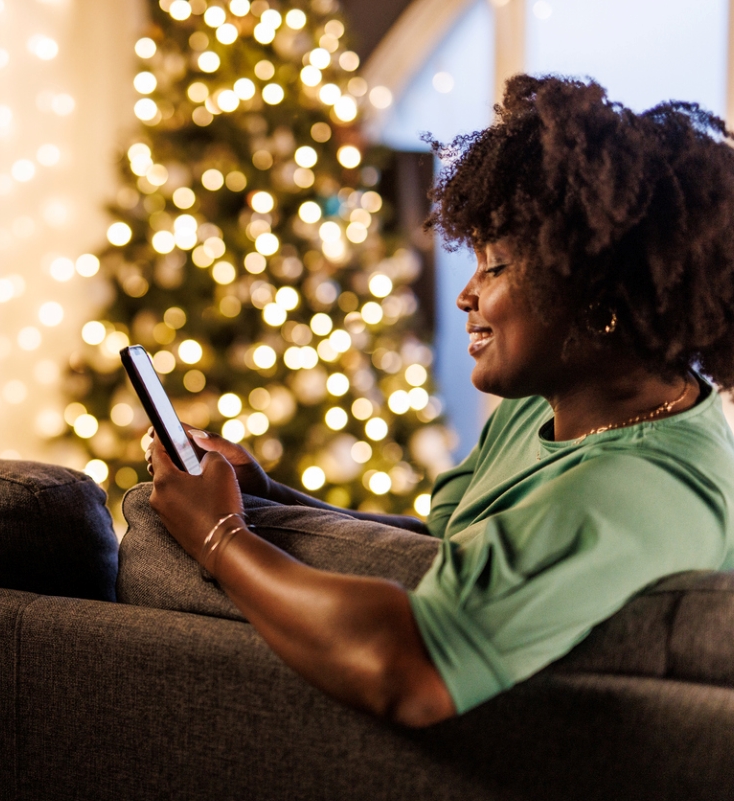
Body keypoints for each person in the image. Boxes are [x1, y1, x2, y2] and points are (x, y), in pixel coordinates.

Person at [144, 75, 734, 727]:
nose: (466, 295)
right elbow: (444, 550)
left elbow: (411, 672)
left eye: (497, 266)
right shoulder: (549, 404)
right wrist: (271, 495)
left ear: (598, 293)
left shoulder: (637, 493)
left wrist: (219, 535)